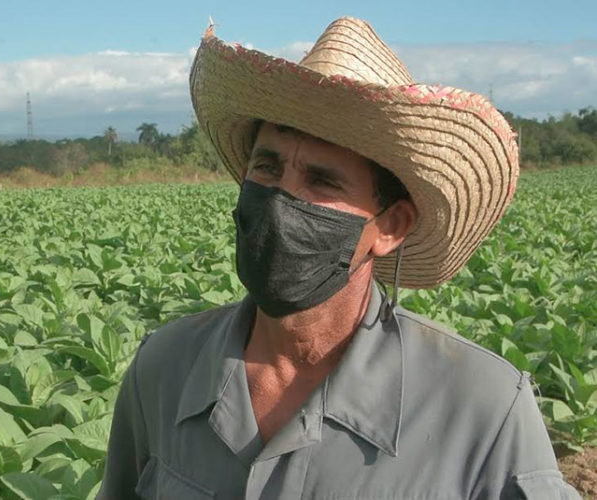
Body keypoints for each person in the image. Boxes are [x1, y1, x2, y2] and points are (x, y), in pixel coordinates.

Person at [97, 17, 581, 499]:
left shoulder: (483, 406)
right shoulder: (162, 369)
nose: (279, 200)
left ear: (390, 227)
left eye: (322, 181)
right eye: (267, 166)